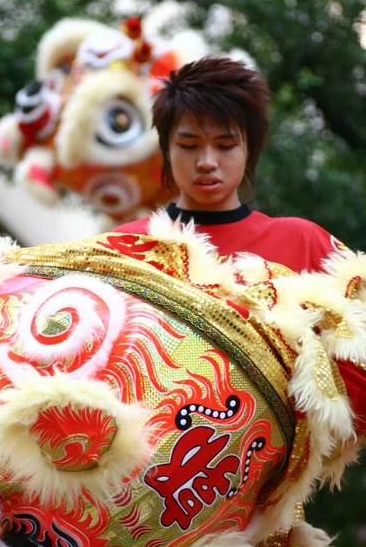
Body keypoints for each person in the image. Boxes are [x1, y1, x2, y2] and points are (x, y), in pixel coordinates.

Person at [113, 56, 366, 432]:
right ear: (167, 148)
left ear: (250, 148)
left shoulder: (305, 241)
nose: (207, 161)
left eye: (226, 144)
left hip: (270, 476)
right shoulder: (123, 246)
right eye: (189, 144)